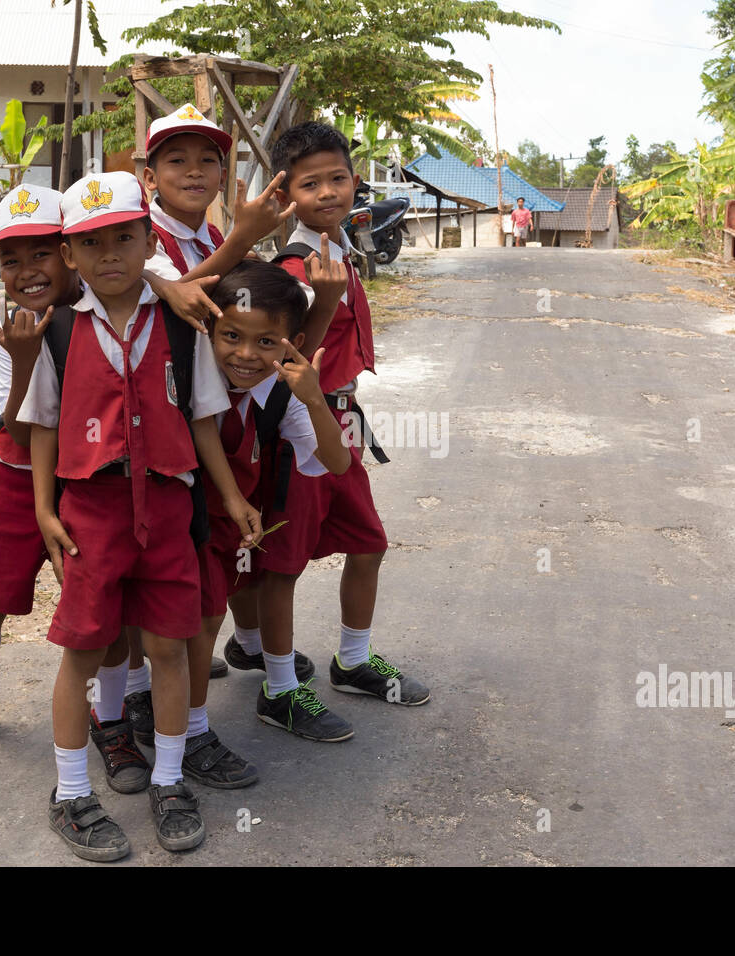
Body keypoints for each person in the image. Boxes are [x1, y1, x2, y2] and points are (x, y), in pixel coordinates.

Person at [17, 171, 260, 861]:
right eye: (91, 244)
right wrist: (43, 508)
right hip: (91, 511)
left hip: (169, 505)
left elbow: (206, 423)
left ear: (149, 241)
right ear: (70, 253)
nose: (110, 255)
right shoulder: (59, 332)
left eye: (125, 238)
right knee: (84, 649)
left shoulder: (182, 329)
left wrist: (233, 498)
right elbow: (42, 425)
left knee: (170, 648)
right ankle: (70, 793)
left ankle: (170, 779)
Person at [0, 184, 141, 783]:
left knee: (102, 607)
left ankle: (110, 718)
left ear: (68, 252)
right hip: (15, 472)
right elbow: (16, 421)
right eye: (9, 260)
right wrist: (23, 357)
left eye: (39, 253)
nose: (26, 272)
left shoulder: (107, 302)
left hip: (93, 480)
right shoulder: (8, 323)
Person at [136, 104, 346, 754]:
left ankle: (186, 697)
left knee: (221, 574)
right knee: (174, 593)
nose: (194, 171)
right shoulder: (144, 241)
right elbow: (145, 299)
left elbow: (257, 334)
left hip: (229, 433)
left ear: (225, 173)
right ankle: (147, 720)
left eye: (207, 160)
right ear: (148, 174)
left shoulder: (214, 241)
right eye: (177, 159)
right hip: (163, 441)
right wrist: (228, 247)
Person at [258, 121, 430, 742]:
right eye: (311, 183)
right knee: (283, 565)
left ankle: (351, 661)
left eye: (338, 177)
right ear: (287, 195)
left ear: (356, 181)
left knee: (368, 541)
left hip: (343, 419)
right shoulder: (295, 268)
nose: (329, 191)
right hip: (299, 429)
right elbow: (280, 359)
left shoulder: (340, 250)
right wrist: (323, 304)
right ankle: (279, 690)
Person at [187, 259, 352, 785]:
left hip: (231, 525)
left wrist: (314, 400)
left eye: (266, 343)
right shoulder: (188, 376)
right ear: (209, 329)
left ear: (291, 343)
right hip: (183, 521)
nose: (244, 354)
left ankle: (189, 726)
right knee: (195, 625)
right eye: (231, 335)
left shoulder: (282, 394)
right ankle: (182, 732)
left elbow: (339, 463)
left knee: (207, 619)